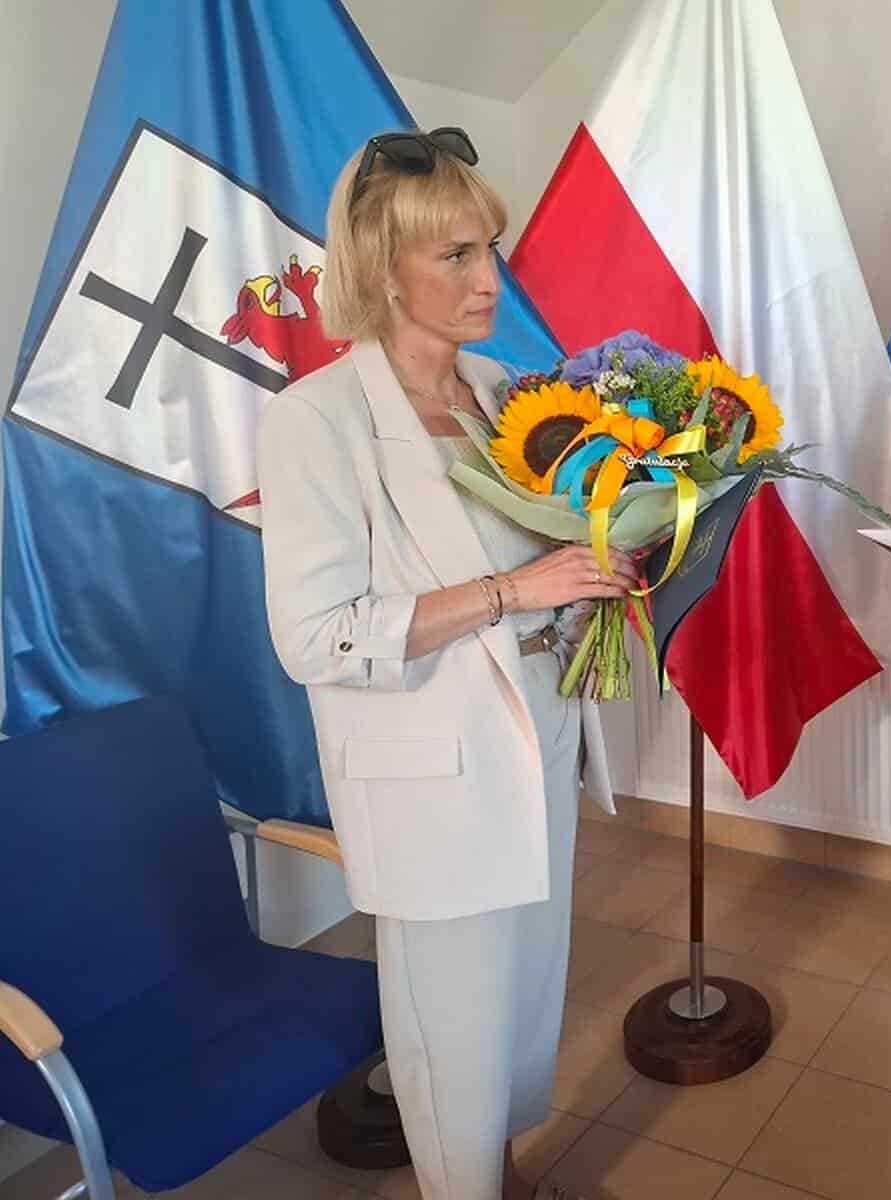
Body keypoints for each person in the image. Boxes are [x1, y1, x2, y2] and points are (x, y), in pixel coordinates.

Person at [257, 127, 631, 1200]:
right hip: (431, 770)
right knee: (452, 1026)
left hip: (537, 732)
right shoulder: (316, 418)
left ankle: (500, 1171)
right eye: (456, 255)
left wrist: (608, 560)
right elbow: (317, 635)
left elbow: (551, 552)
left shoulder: (503, 388)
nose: (489, 280)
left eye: (490, 249)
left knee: (522, 997)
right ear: (383, 272)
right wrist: (515, 592)